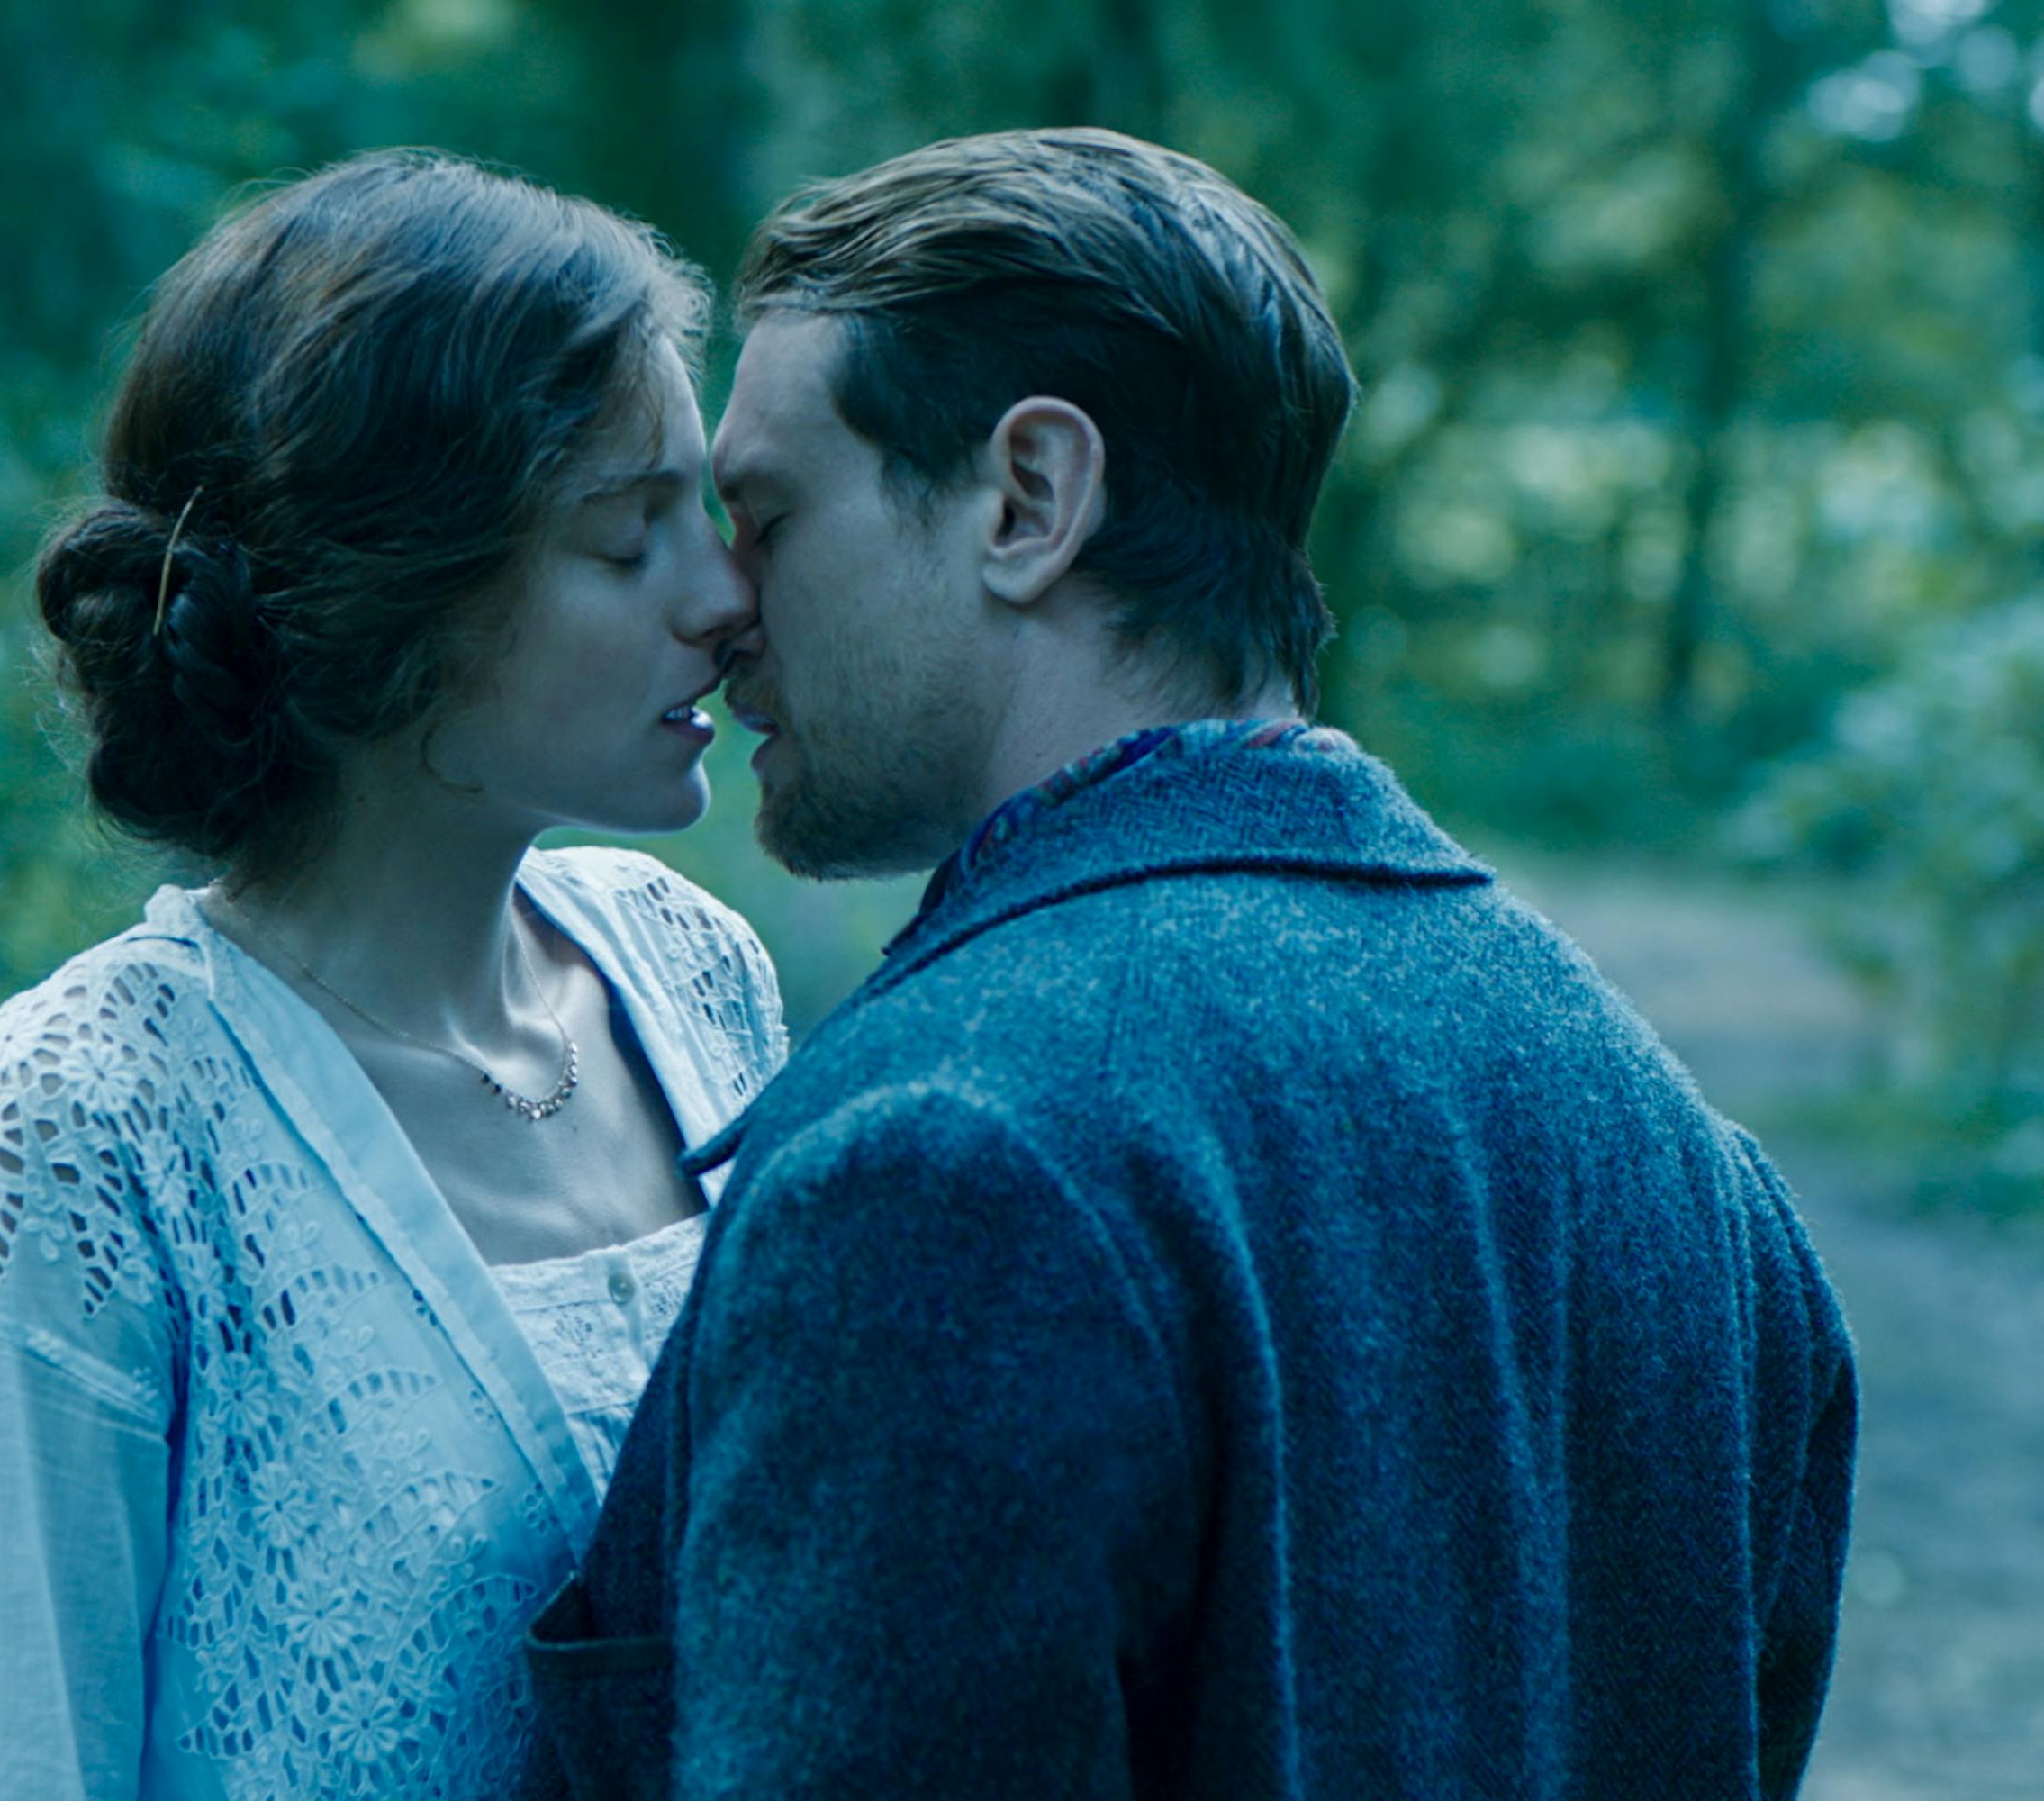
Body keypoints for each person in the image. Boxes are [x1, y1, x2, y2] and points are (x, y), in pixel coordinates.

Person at [520, 128, 1856, 1800]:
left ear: (1026, 499)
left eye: (771, 513)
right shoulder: (1690, 1175)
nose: (724, 601)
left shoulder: (939, 1164)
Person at [0, 149, 782, 1801]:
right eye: (627, 540)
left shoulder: (693, 969)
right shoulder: (74, 1133)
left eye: (704, 511)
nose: (721, 598)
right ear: (400, 593)